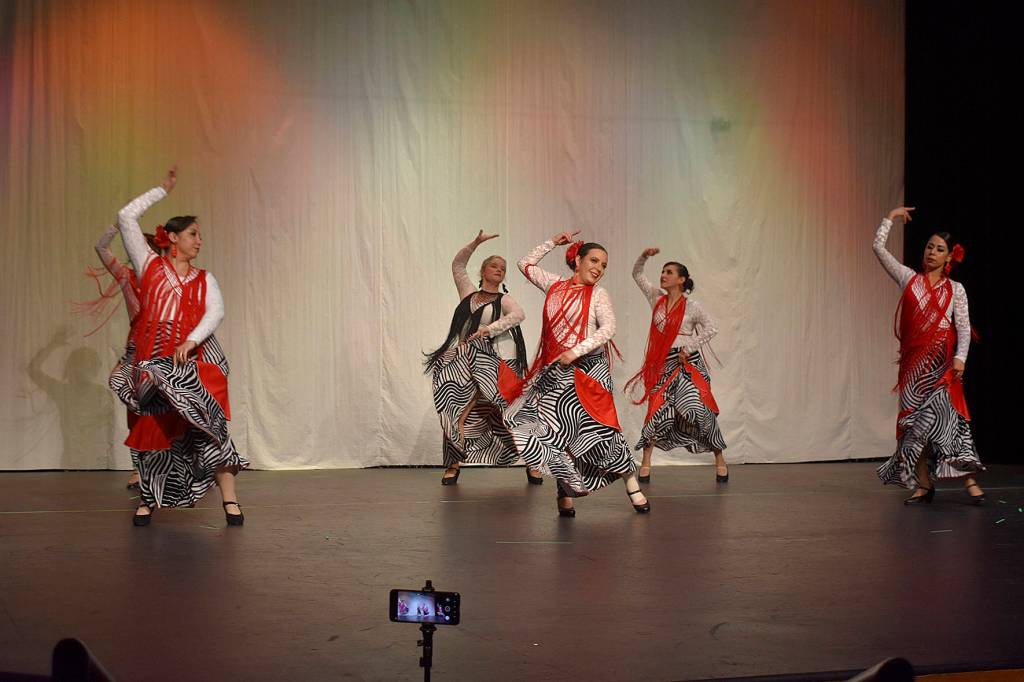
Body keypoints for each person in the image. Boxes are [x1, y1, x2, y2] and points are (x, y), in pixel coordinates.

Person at [113, 166, 248, 525]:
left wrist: (191, 339)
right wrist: (161, 189)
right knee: (153, 429)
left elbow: (215, 311)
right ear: (172, 238)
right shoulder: (149, 266)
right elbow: (125, 216)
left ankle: (229, 501)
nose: (199, 240)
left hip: (195, 360)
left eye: (199, 235)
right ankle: (147, 499)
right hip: (156, 359)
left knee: (209, 428)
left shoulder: (206, 278)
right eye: (192, 234)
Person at [504, 230, 648, 517]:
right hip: (557, 372)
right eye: (594, 260)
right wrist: (553, 243)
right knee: (558, 434)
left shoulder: (599, 294)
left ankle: (632, 486)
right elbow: (525, 264)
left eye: (604, 265)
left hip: (589, 372)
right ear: (578, 260)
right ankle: (564, 491)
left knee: (603, 432)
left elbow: (608, 329)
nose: (599, 268)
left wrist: (575, 352)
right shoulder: (555, 284)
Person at [873, 206, 984, 505]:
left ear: (950, 257)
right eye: (929, 247)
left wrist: (961, 358)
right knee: (914, 428)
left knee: (947, 421)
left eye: (939, 249)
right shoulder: (908, 278)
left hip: (942, 368)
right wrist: (891, 218)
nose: (932, 252)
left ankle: (969, 479)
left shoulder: (956, 290)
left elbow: (962, 327)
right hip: (912, 370)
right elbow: (878, 248)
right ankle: (924, 484)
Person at [424, 231, 540, 485]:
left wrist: (490, 328)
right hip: (467, 361)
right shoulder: (468, 294)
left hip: (499, 362)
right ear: (483, 271)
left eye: (503, 268)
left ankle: (533, 463)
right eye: (493, 265)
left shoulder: (505, 299)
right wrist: (475, 243)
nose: (499, 270)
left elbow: (518, 315)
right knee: (456, 410)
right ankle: (453, 464)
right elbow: (457, 265)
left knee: (514, 412)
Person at [627, 248, 727, 484]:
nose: (663, 275)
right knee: (656, 410)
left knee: (700, 410)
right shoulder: (656, 298)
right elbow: (637, 274)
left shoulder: (693, 306)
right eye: (662, 271)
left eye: (669, 272)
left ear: (681, 279)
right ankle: (647, 462)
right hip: (662, 363)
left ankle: (720, 458)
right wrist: (644, 256)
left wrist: (688, 347)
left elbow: (712, 328)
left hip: (687, 364)